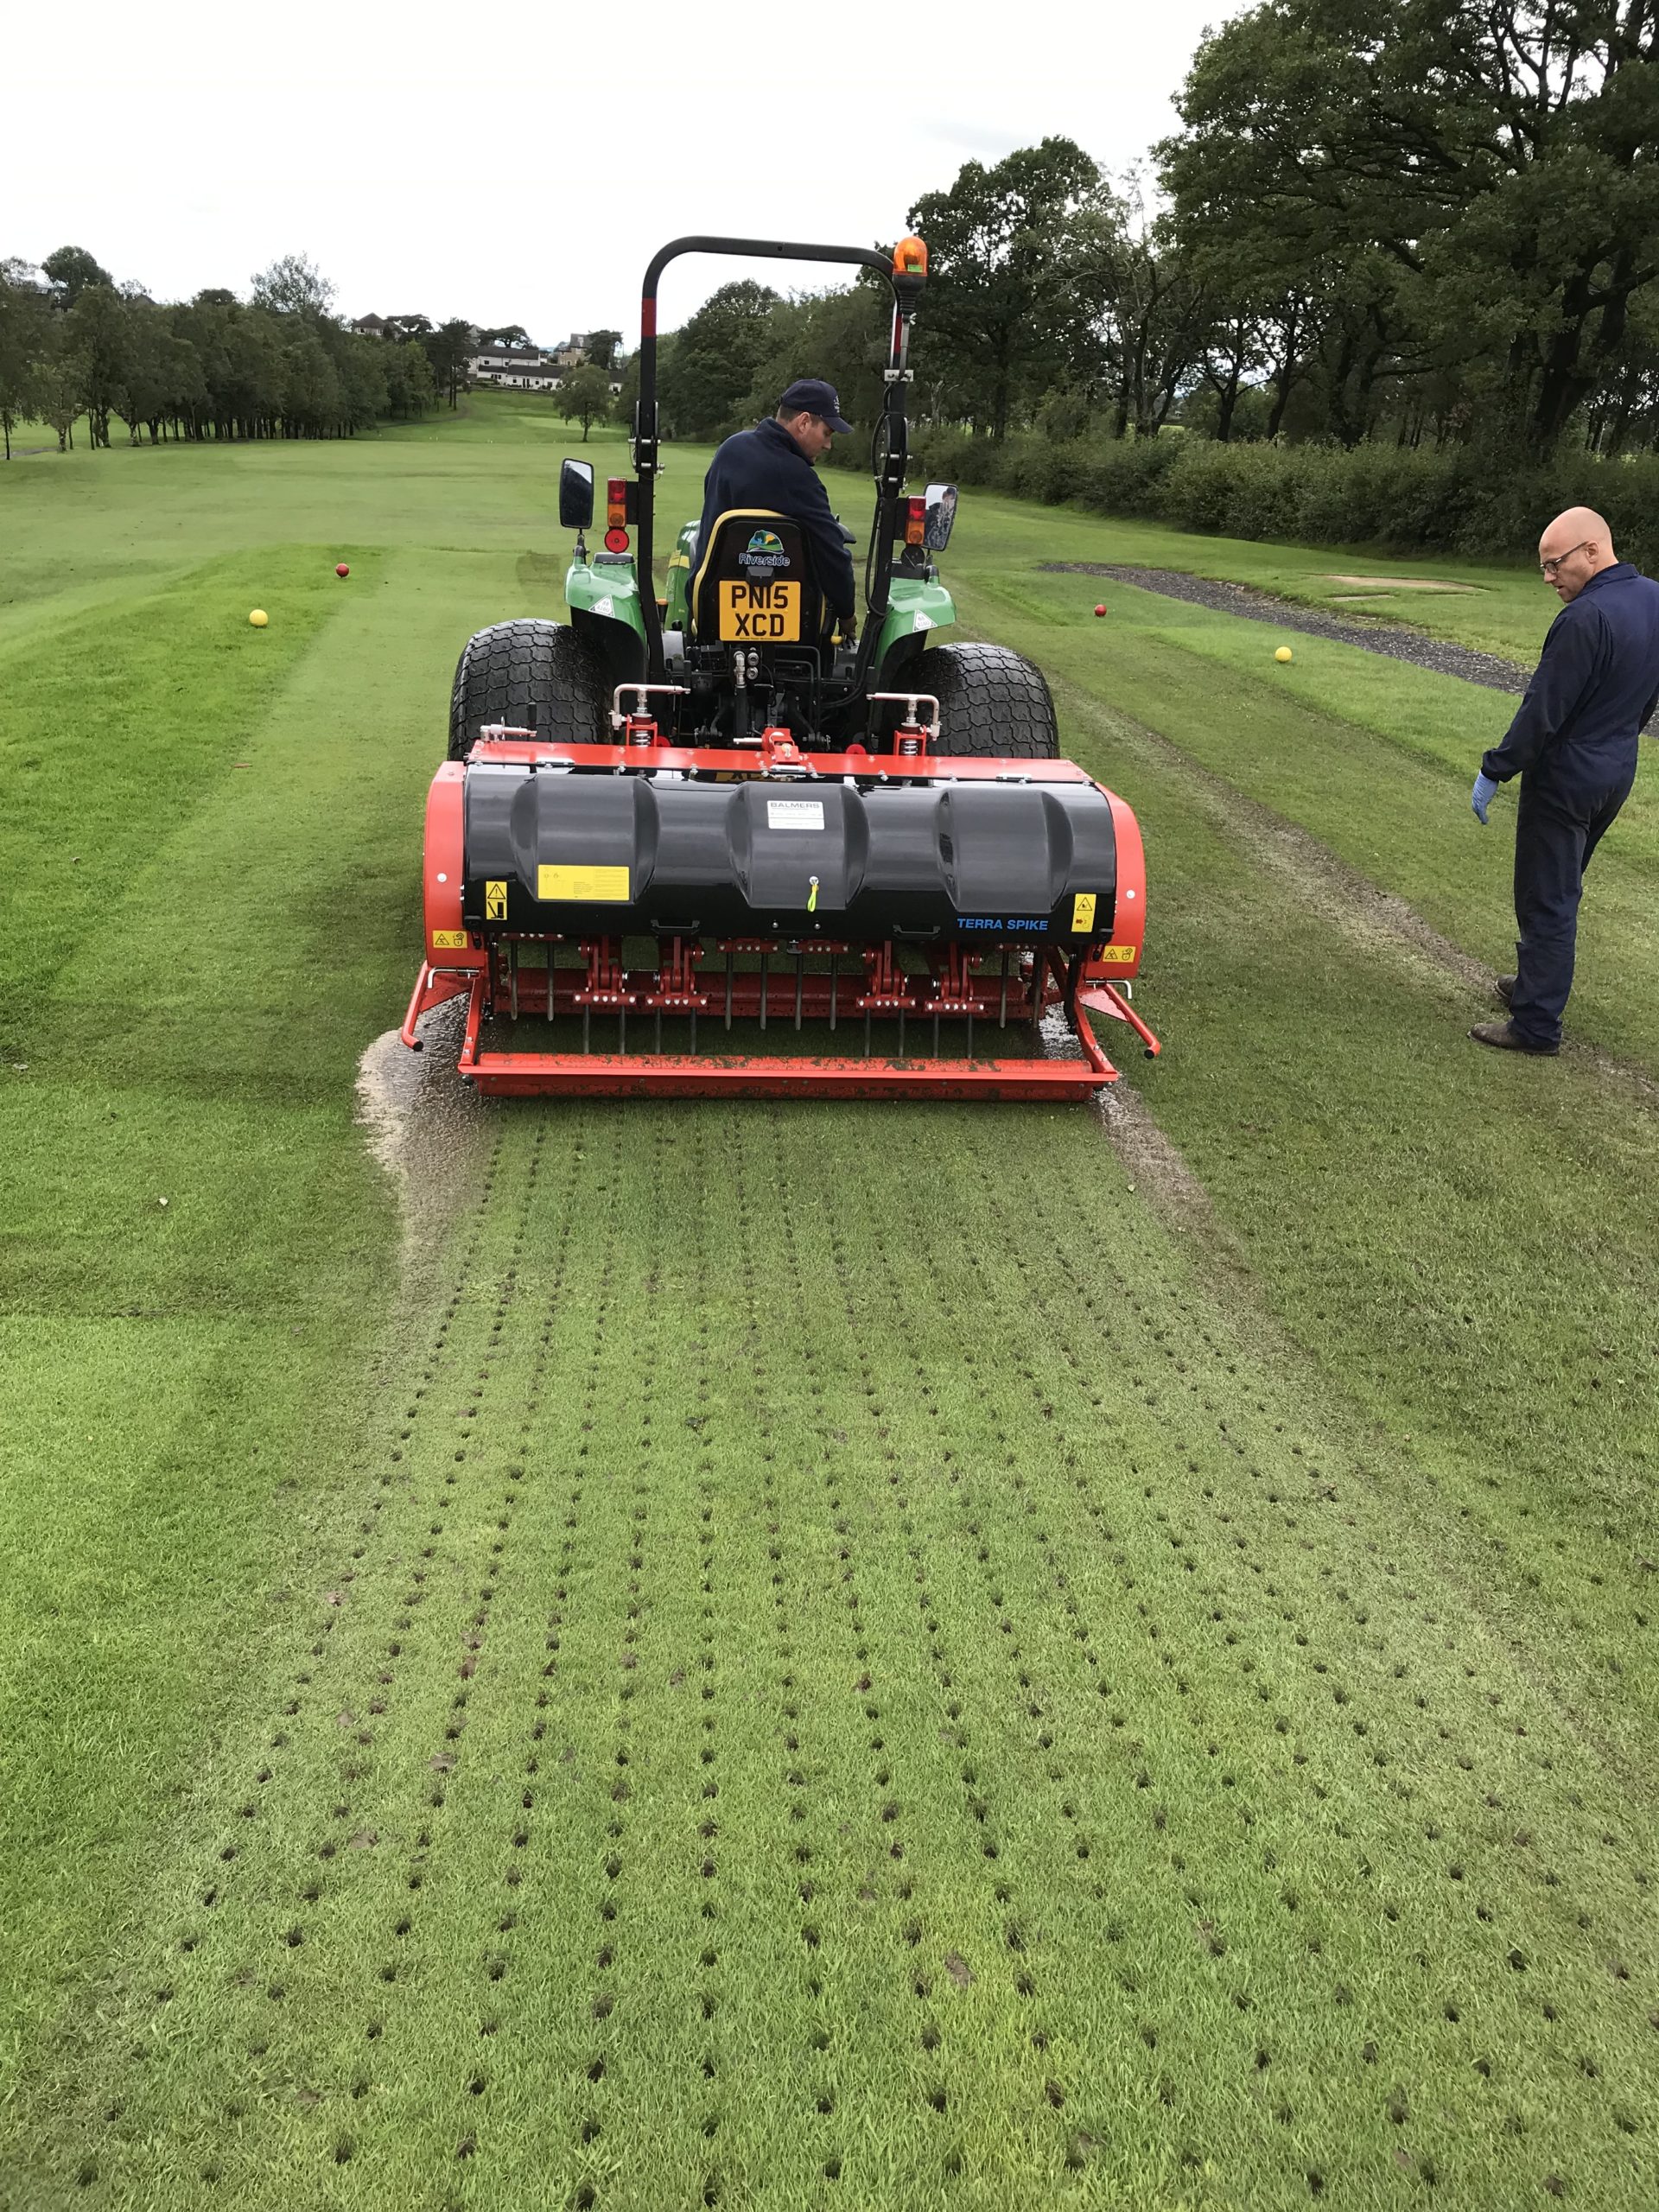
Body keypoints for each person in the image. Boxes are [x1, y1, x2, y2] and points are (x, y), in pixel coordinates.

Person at [1468, 505, 1659, 1054]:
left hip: (1566, 776)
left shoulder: (1584, 618)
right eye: (1545, 568)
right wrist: (1617, 739)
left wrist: (1496, 767)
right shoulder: (1654, 599)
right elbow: (1649, 696)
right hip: (1615, 769)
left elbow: (1543, 709)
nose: (1550, 578)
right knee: (1564, 884)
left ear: (1592, 551)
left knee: (1546, 895)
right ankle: (1535, 983)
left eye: (1555, 565)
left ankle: (1535, 1026)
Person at [695, 379, 858, 633]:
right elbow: (831, 554)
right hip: (792, 624)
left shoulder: (730, 449)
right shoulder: (798, 477)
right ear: (804, 422)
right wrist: (847, 614)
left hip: (709, 606)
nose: (828, 445)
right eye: (827, 433)